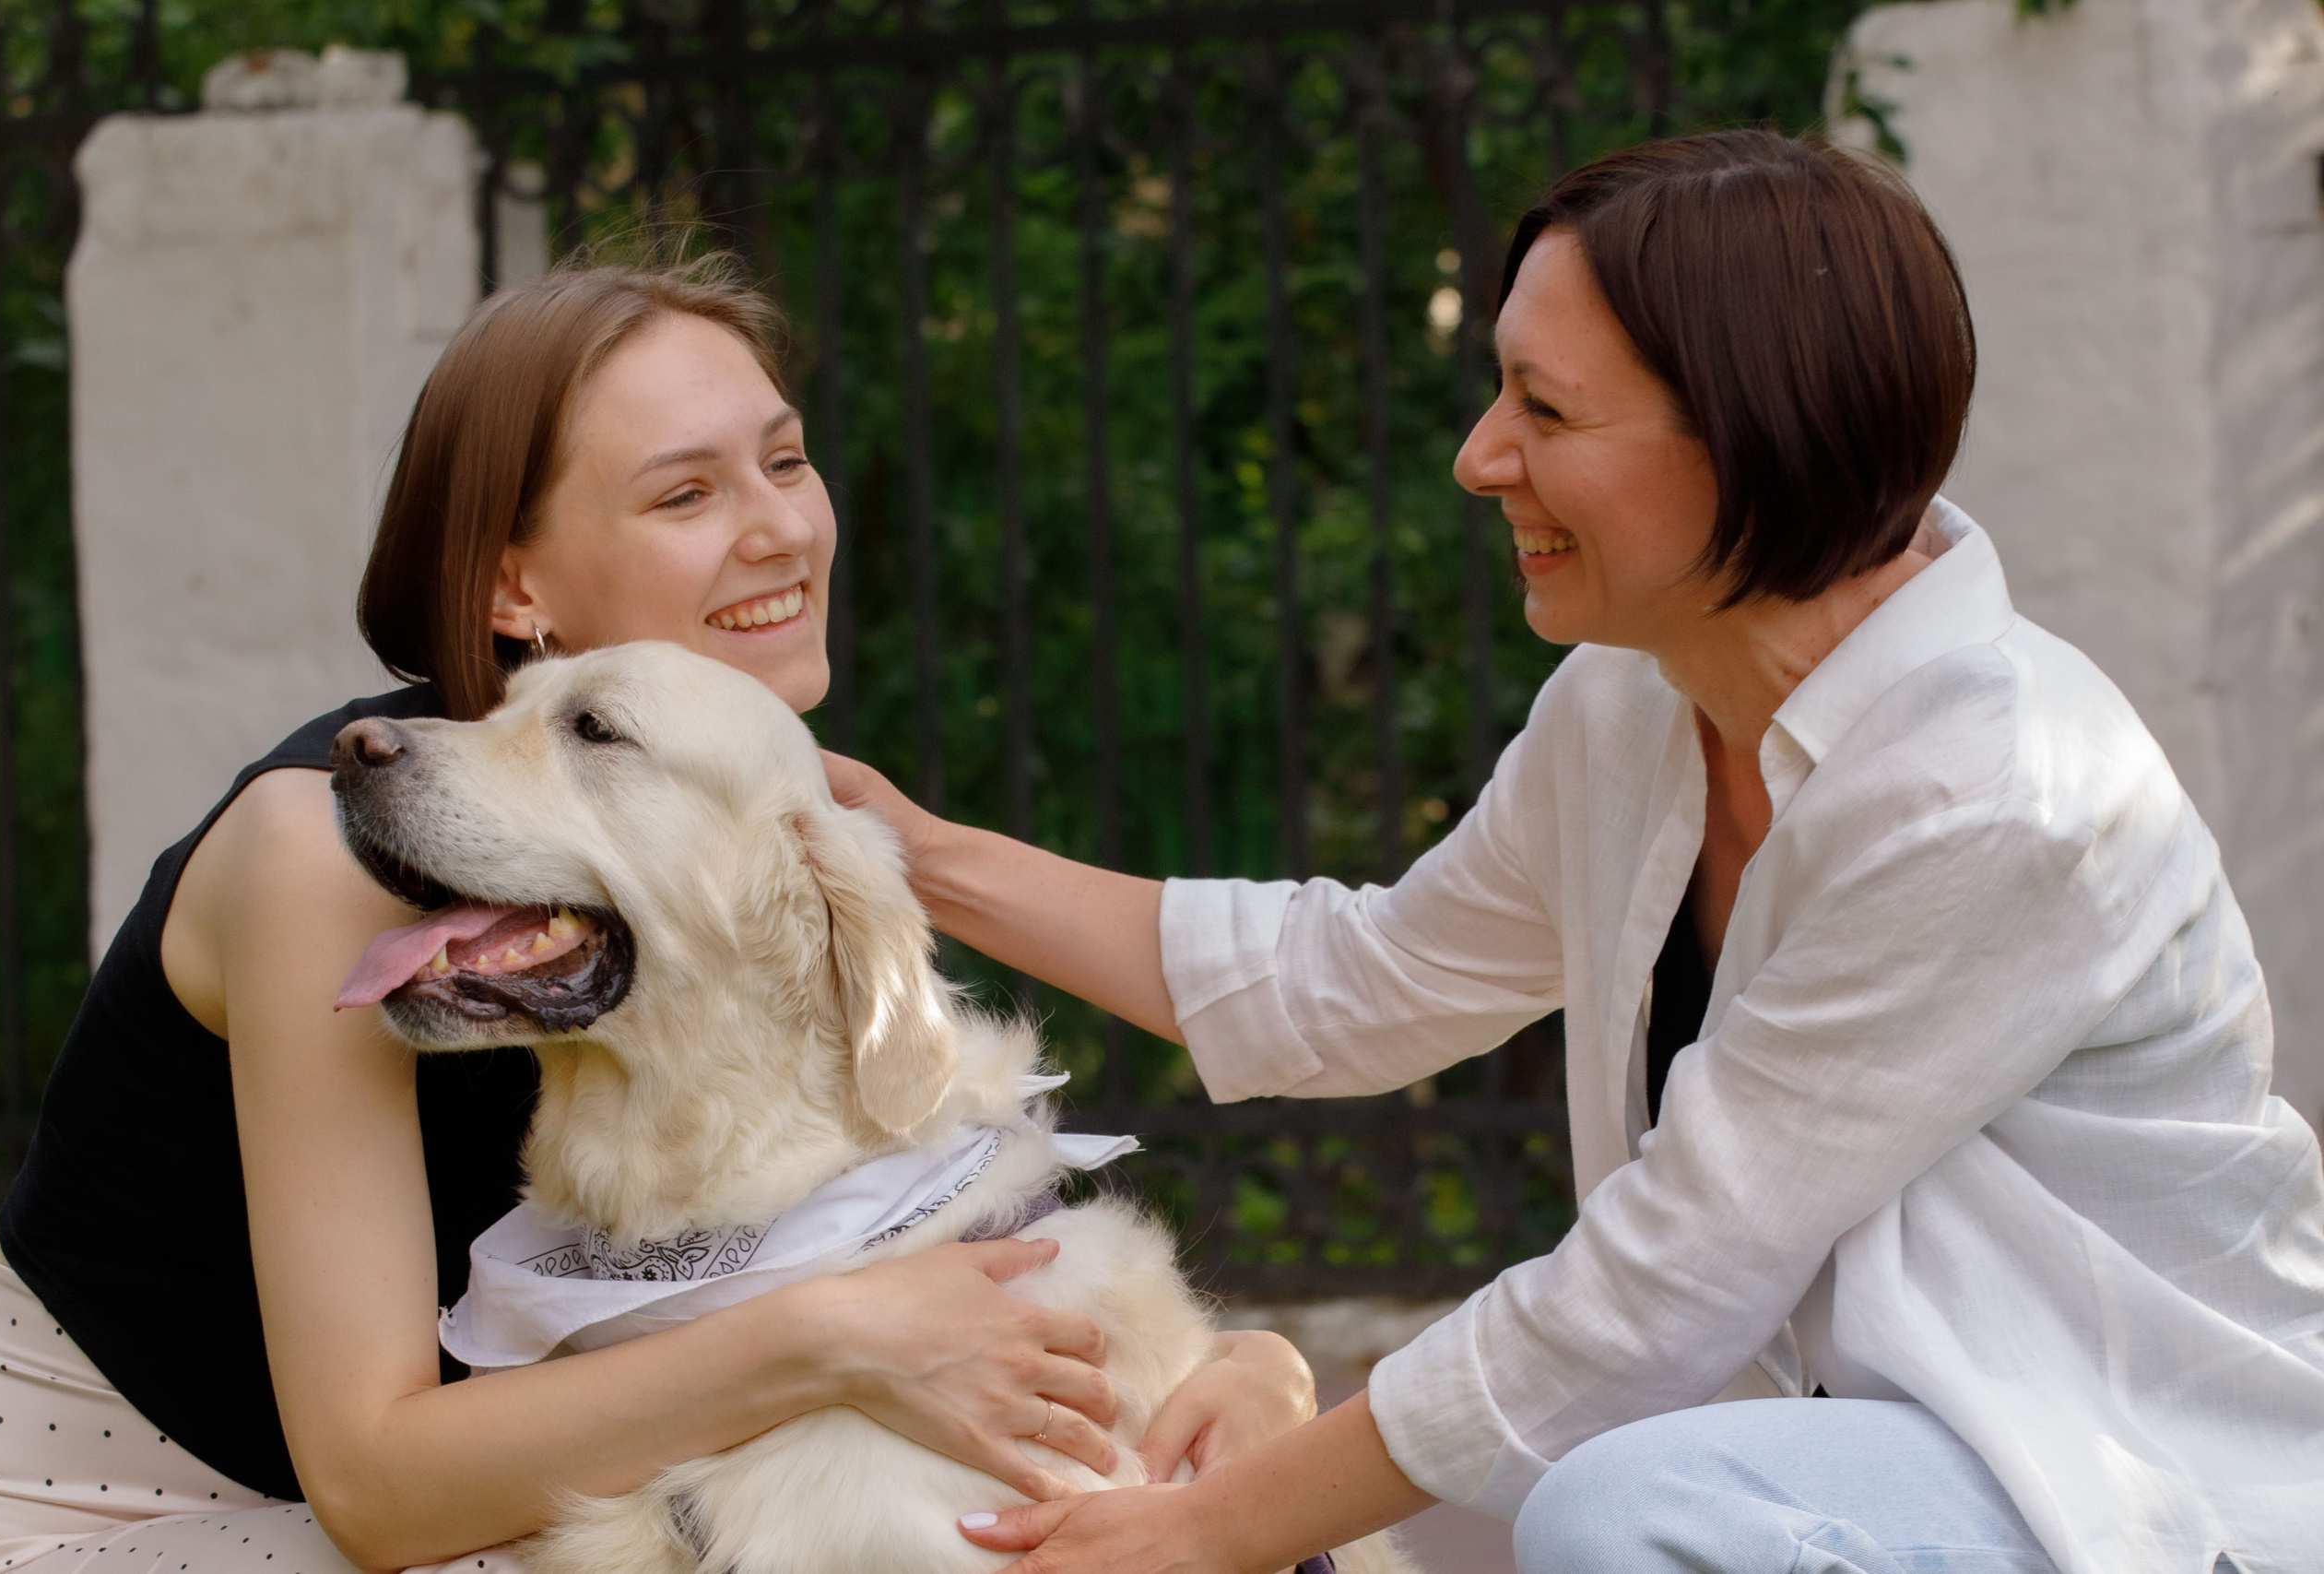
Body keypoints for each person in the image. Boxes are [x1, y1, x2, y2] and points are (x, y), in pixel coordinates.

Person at [822, 131, 2324, 1574]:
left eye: (1546, 411)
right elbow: (1355, 982)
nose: (1483, 458)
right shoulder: (1634, 697)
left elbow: (1654, 1292)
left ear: (1748, 437)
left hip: (2128, 1476)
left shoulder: (1998, 795)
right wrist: (913, 854)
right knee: (1642, 1494)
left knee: (1635, 1515)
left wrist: (1211, 1534)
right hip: (1852, 1454)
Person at [0, 255, 1321, 1574]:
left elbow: (942, 1233)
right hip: (127, 1519)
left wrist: (1238, 1378)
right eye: (685, 493)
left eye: (785, 463)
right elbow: (378, 1493)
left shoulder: (738, 806)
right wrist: (833, 1339)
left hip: (491, 1496)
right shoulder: (328, 846)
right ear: (515, 587)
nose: (781, 526)